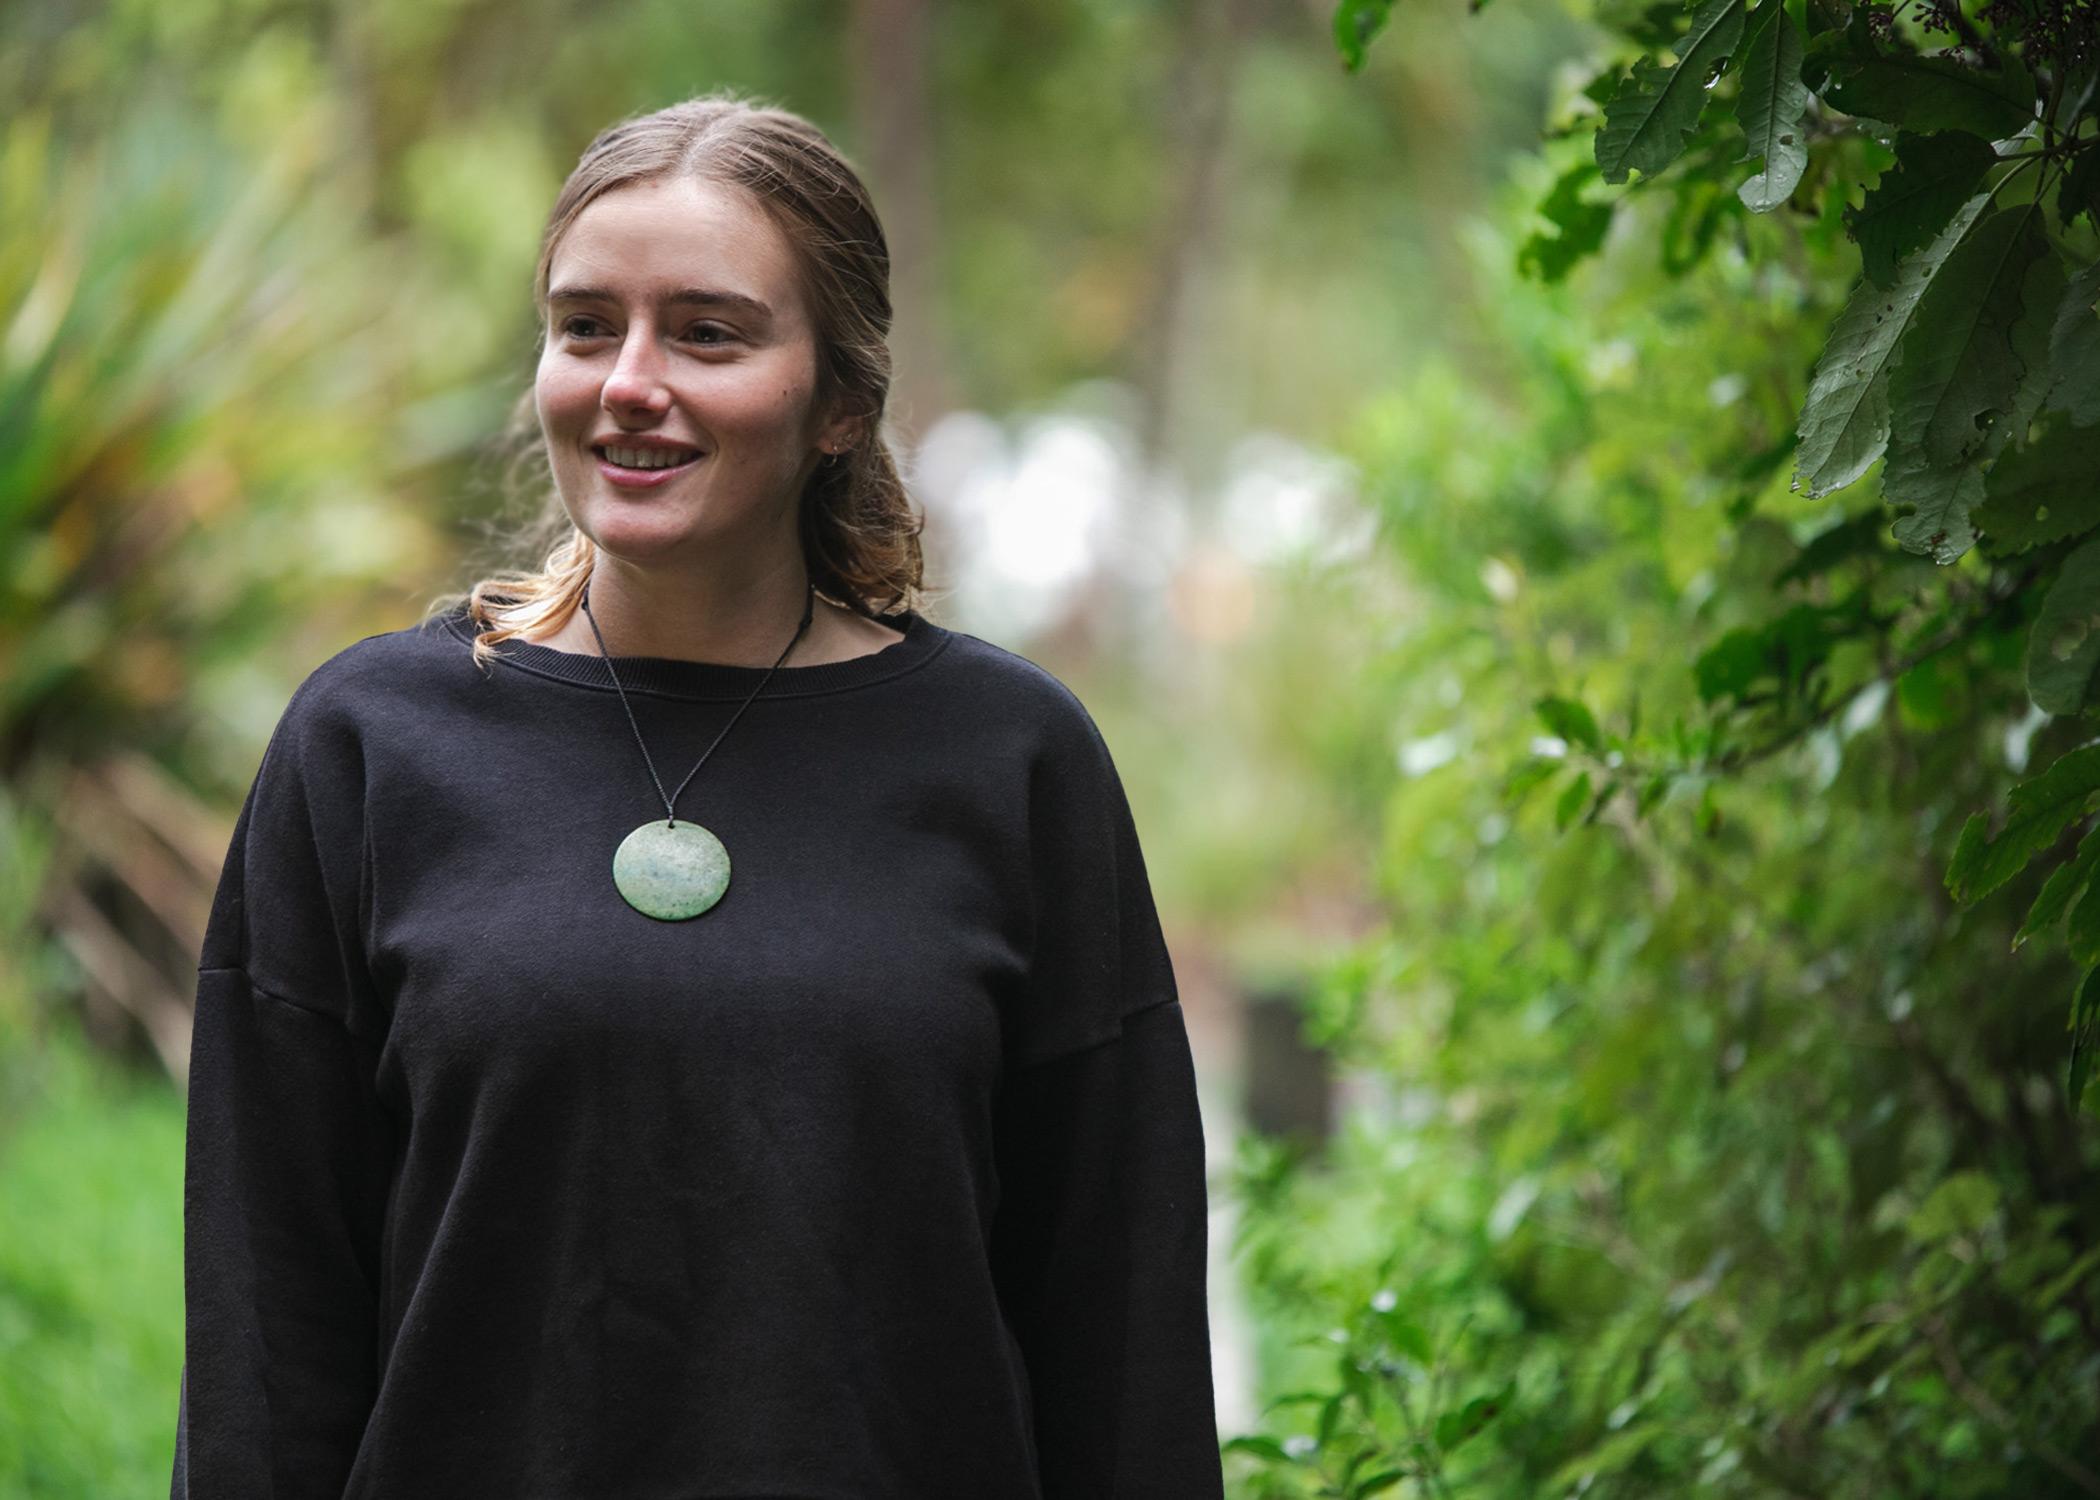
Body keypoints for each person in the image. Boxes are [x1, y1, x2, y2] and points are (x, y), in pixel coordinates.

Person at [170, 89, 1224, 1498]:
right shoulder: (367, 748)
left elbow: (1122, 1339)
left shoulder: (1014, 764)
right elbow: (266, 1335)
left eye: (708, 331)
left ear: (842, 399)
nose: (628, 380)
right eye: (586, 325)